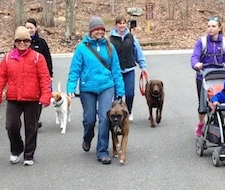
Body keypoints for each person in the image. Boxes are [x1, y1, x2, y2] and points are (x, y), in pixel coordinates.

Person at [66, 16, 125, 165]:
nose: (99, 32)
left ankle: (102, 151)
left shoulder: (110, 47)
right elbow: (75, 69)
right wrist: (71, 87)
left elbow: (116, 69)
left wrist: (120, 89)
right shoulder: (82, 48)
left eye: (101, 29)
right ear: (91, 31)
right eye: (96, 29)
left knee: (105, 118)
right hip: (88, 88)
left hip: (106, 85)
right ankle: (87, 136)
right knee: (89, 119)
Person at [0, 26, 52, 166]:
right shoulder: (7, 58)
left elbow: (44, 78)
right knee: (11, 125)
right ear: (15, 42)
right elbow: (0, 78)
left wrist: (45, 96)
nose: (22, 43)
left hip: (33, 98)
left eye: (25, 40)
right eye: (19, 40)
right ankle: (16, 148)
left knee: (31, 128)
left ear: (30, 42)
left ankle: (29, 154)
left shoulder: (38, 57)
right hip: (14, 98)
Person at [190, 16, 225, 137]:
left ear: (219, 28)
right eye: (209, 26)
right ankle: (201, 123)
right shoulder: (202, 41)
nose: (210, 29)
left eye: (213, 26)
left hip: (220, 77)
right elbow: (194, 56)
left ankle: (224, 124)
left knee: (222, 101)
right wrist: (196, 64)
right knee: (203, 105)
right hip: (204, 77)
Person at [109, 16, 147, 122]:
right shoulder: (110, 39)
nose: (121, 25)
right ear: (116, 25)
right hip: (116, 71)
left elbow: (138, 52)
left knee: (130, 93)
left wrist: (142, 65)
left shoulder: (131, 37)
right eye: (119, 23)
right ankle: (116, 114)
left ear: (126, 24)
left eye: (123, 23)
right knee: (117, 95)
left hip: (129, 69)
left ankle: (128, 111)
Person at [25, 18, 53, 129]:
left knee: (38, 100)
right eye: (27, 28)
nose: (29, 30)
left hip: (39, 76)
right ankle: (31, 119)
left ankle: (35, 119)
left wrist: (50, 75)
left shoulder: (41, 43)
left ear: (36, 29)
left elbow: (48, 59)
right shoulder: (21, 42)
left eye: (31, 28)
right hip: (26, 76)